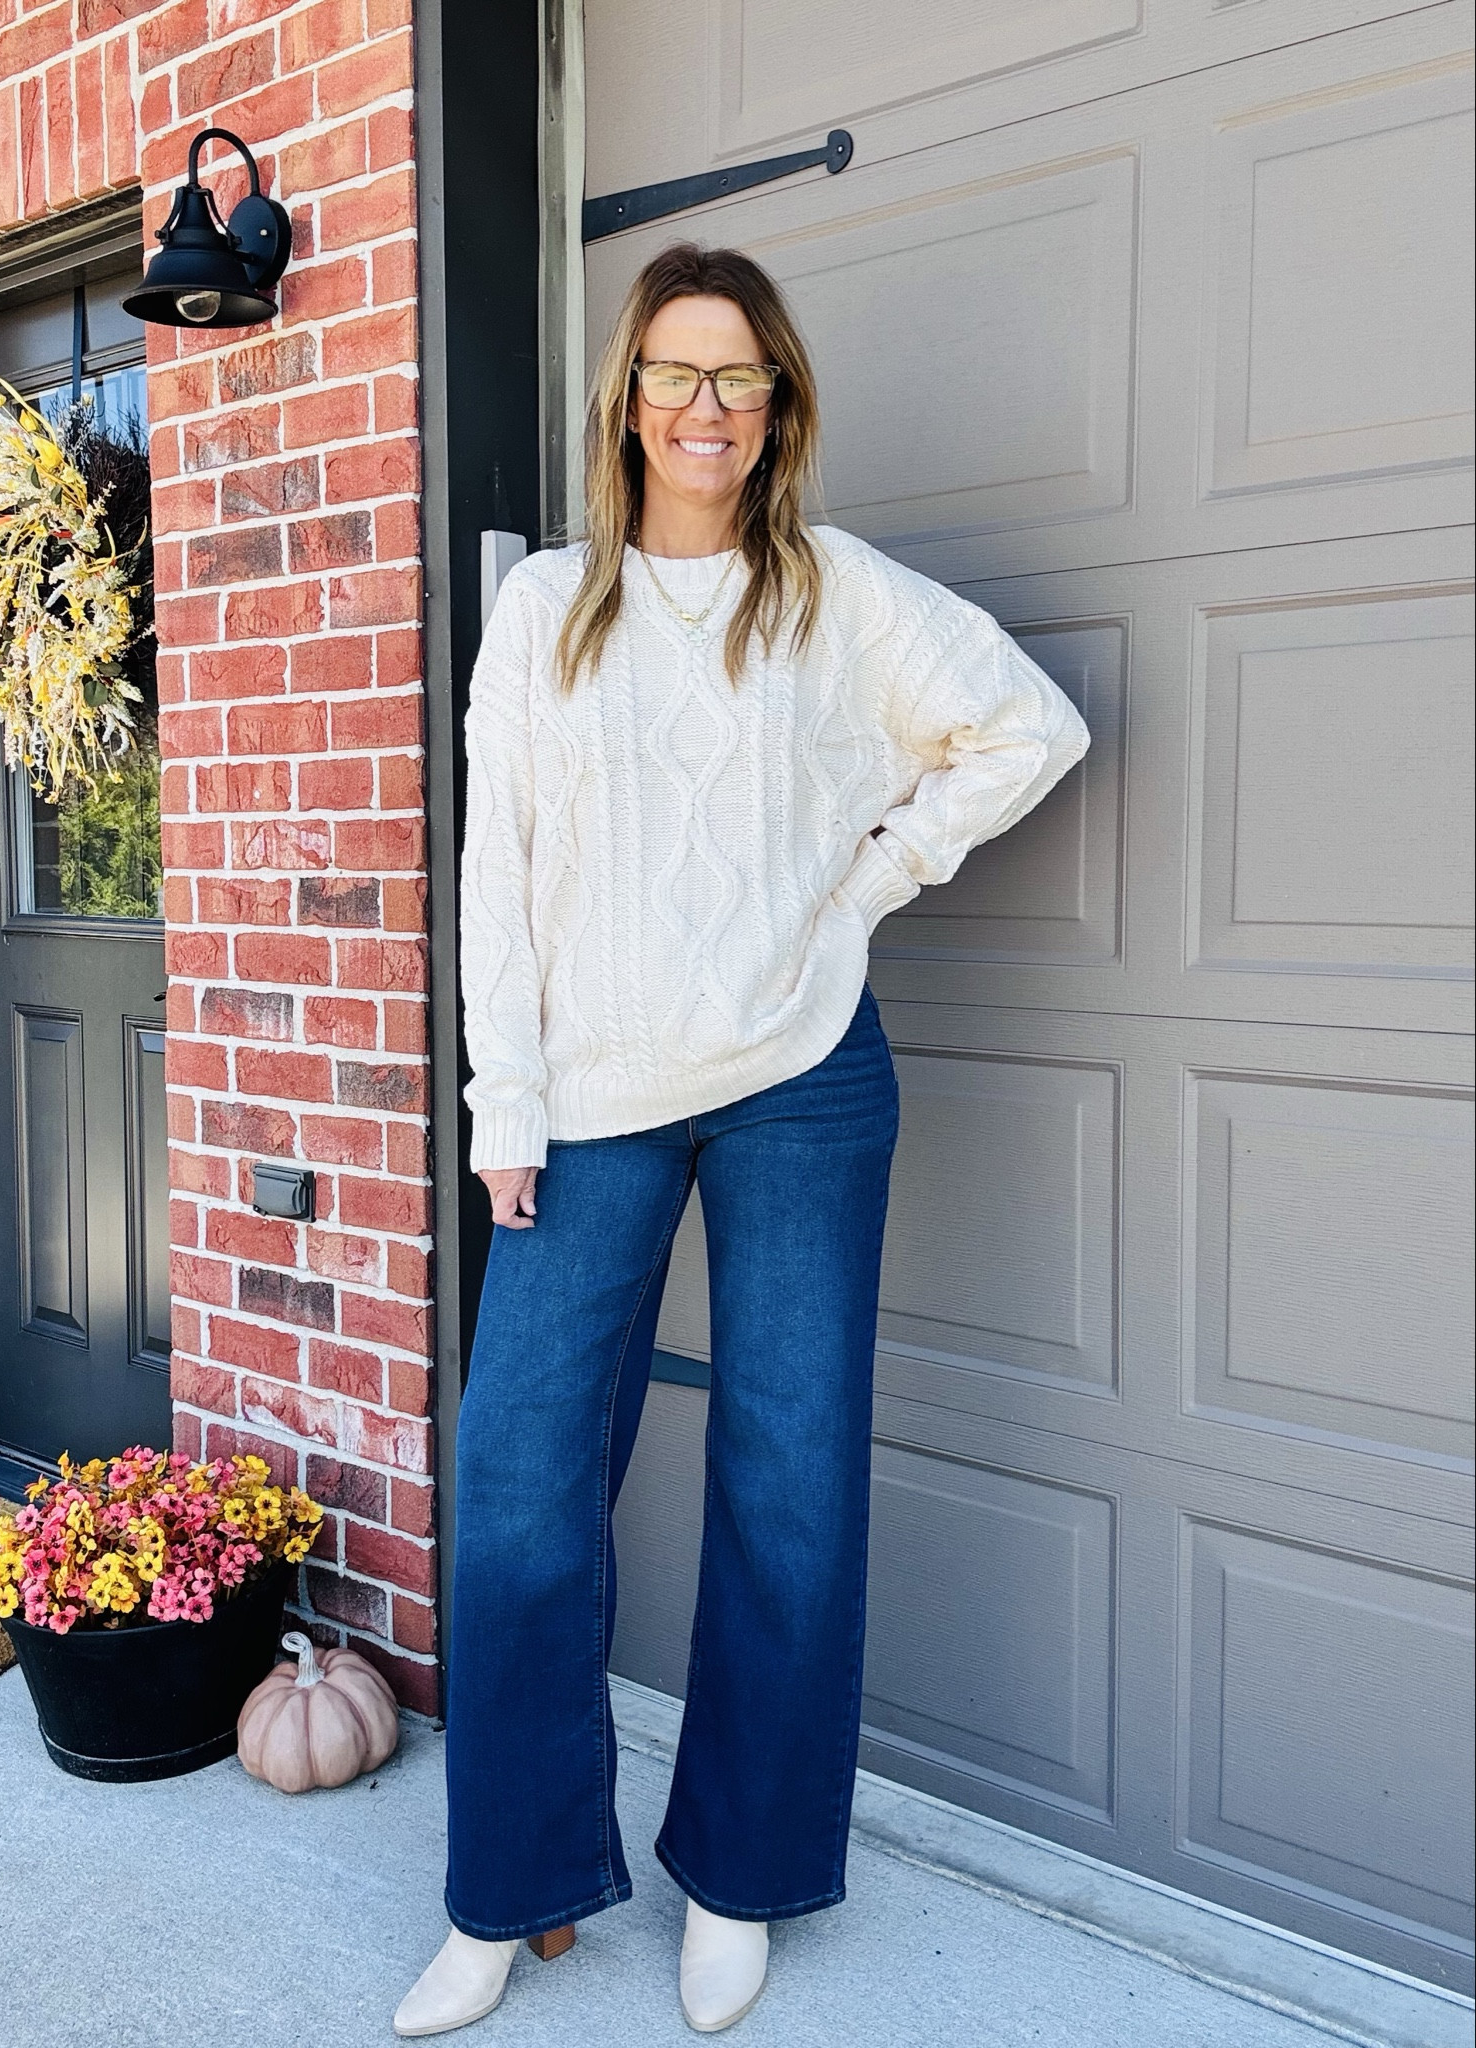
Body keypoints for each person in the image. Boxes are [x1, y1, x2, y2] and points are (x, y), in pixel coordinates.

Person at [394, 242, 1089, 2038]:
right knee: (526, 1480)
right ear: (623, 399)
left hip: (802, 1074)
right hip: (594, 1095)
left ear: (777, 406)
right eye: (673, 376)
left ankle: (743, 1874)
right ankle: (510, 1886)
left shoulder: (837, 595)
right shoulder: (545, 606)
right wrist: (505, 1104)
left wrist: (869, 883)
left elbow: (1028, 727)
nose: (704, 410)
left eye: (740, 379)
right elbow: (500, 877)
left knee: (786, 1480)